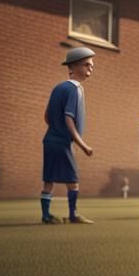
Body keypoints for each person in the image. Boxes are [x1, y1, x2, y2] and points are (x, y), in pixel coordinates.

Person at [41, 47, 96, 225]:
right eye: (86, 65)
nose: (90, 68)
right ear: (72, 67)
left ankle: (46, 216)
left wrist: (55, 130)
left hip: (49, 139)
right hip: (63, 142)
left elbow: (47, 116)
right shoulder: (75, 89)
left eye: (92, 65)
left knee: (49, 180)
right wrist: (82, 144)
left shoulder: (58, 87)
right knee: (73, 181)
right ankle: (73, 215)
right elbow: (69, 118)